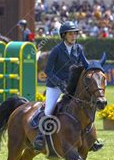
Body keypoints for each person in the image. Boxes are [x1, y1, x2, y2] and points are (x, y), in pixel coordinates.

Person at [32, 21, 85, 151]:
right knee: (49, 109)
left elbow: (85, 64)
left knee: (84, 108)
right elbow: (48, 71)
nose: (73, 36)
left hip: (71, 86)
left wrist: (96, 67)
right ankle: (40, 136)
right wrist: (59, 83)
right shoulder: (57, 50)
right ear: (64, 35)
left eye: (75, 34)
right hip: (55, 86)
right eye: (70, 34)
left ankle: (90, 138)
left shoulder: (78, 49)